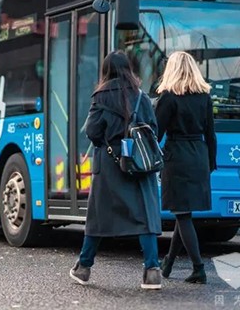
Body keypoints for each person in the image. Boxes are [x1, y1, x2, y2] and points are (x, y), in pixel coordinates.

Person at [69, 50, 163, 290]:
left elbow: (92, 131)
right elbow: (153, 128)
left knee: (97, 218)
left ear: (106, 70)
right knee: (145, 217)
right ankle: (152, 270)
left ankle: (84, 268)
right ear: (128, 70)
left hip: (109, 165)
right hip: (140, 165)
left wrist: (109, 143)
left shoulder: (100, 96)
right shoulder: (142, 97)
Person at [154, 51, 217, 284]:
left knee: (181, 213)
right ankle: (168, 263)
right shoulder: (205, 97)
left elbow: (155, 133)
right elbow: (211, 135)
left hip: (177, 157)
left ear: (172, 69)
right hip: (199, 155)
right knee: (185, 213)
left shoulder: (169, 97)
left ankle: (199, 268)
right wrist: (210, 163)